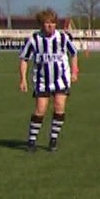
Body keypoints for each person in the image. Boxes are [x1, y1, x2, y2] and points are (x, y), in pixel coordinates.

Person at [17, 9, 80, 153]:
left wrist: (75, 71)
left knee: (59, 106)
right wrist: (23, 80)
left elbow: (74, 54)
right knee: (41, 109)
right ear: (41, 24)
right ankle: (32, 140)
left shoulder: (63, 38)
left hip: (61, 79)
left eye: (52, 23)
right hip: (42, 81)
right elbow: (24, 59)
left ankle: (53, 139)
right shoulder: (34, 39)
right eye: (47, 23)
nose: (50, 26)